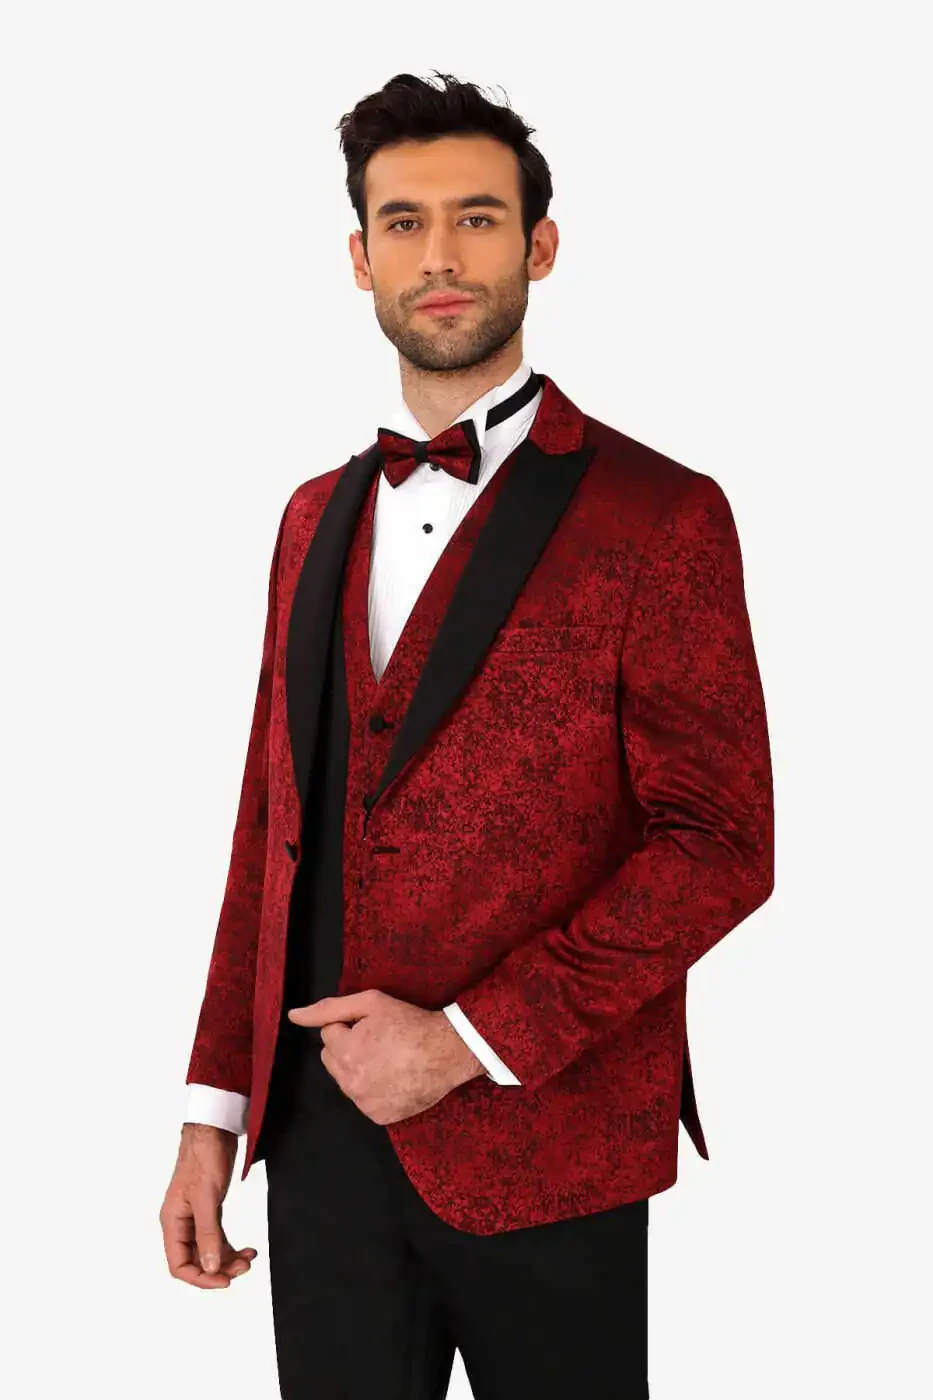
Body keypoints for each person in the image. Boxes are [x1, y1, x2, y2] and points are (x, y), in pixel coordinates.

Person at [160, 69, 774, 1399]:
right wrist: (216, 1110)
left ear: (539, 247)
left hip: (550, 1139)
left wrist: (469, 1040)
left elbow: (720, 845)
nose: (439, 255)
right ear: (360, 258)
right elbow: (270, 824)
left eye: (477, 219)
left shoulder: (662, 515)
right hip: (317, 1149)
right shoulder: (310, 518)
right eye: (404, 222)